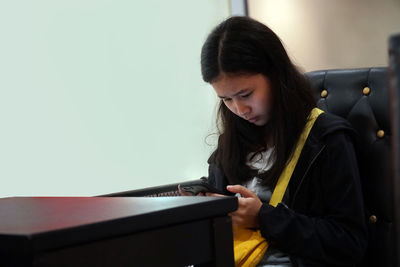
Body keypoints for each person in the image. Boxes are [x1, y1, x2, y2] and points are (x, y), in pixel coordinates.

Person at [181, 16, 367, 267]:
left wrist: (263, 217)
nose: (240, 109)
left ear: (276, 74)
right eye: (226, 99)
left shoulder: (327, 139)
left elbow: (348, 242)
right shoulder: (231, 143)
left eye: (246, 94)